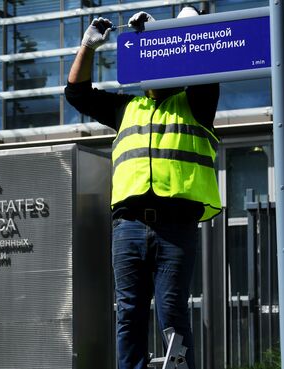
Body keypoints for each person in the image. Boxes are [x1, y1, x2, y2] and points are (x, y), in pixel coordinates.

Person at [65, 6, 222, 369]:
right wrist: (88, 46)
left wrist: (169, 31)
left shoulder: (197, 103)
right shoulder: (126, 108)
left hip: (176, 226)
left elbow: (203, 64)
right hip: (129, 226)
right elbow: (77, 94)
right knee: (130, 313)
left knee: (171, 312)